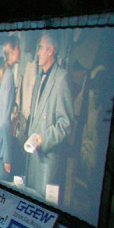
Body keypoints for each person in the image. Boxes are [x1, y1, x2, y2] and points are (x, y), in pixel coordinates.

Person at [25, 31, 74, 200]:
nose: (37, 53)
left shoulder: (61, 78)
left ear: (50, 50)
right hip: (33, 157)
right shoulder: (40, 78)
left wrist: (43, 140)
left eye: (40, 48)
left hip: (47, 161)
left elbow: (65, 124)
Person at [0, 35, 19, 182]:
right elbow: (6, 121)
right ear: (12, 50)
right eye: (18, 47)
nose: (20, 51)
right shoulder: (9, 76)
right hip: (2, 150)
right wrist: (8, 156)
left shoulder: (0, 75)